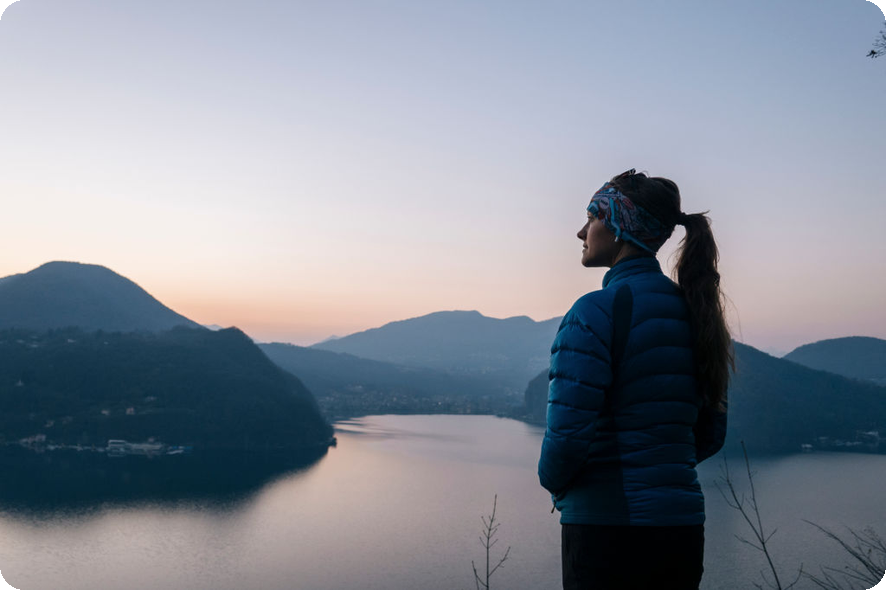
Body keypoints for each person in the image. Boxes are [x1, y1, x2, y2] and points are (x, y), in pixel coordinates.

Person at [537, 169, 732, 590]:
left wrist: (558, 485)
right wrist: (659, 470)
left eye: (592, 216)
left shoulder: (595, 311)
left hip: (607, 531)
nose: (581, 232)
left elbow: (566, 440)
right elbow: (711, 433)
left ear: (619, 226)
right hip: (682, 531)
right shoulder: (698, 315)